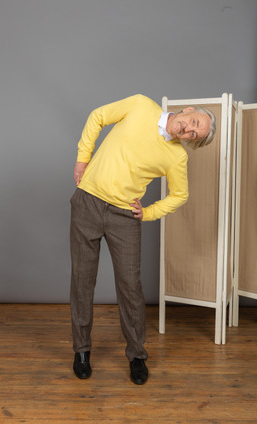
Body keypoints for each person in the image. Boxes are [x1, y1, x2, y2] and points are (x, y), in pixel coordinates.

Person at [70, 94, 216, 385]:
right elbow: (98, 115)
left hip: (124, 216)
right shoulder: (140, 105)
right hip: (87, 202)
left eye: (193, 135)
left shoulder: (177, 156)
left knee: (130, 287)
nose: (188, 131)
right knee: (82, 280)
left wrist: (147, 213)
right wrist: (83, 158)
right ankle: (81, 351)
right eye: (194, 123)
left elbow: (180, 195)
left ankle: (137, 355)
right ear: (188, 110)